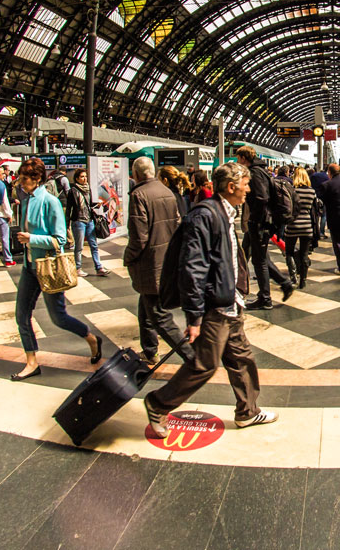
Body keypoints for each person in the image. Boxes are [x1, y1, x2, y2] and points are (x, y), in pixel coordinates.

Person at [144, 162, 278, 437]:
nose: (248, 189)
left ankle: (247, 411)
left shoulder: (223, 211)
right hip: (214, 307)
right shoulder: (204, 215)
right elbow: (192, 267)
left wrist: (237, 291)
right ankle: (158, 404)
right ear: (231, 187)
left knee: (242, 359)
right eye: (245, 185)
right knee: (204, 366)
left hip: (230, 302)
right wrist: (194, 317)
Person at [11, 157, 102, 381]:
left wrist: (31, 238)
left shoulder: (50, 202)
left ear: (37, 179)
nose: (20, 183)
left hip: (48, 267)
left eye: (24, 179)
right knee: (21, 316)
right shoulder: (25, 201)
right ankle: (32, 362)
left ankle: (91, 338)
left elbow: (60, 240)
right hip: (30, 267)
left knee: (58, 318)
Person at [124, 156, 195, 365]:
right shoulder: (167, 192)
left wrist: (128, 257)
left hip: (149, 262)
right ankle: (150, 350)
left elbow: (139, 237)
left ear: (136, 174)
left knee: (159, 316)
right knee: (145, 307)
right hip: (166, 259)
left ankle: (192, 358)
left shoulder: (139, 195)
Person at [235, 145, 294, 307]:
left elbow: (261, 198)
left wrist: (256, 219)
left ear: (244, 158)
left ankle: (267, 297)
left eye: (238, 158)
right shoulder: (260, 171)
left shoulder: (255, 173)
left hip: (260, 222)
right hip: (259, 222)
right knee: (257, 256)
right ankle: (278, 286)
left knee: (259, 260)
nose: (237, 161)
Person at [65, 168, 110, 278]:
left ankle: (99, 267)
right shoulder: (73, 191)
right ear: (76, 178)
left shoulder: (88, 189)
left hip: (89, 220)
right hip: (78, 221)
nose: (84, 179)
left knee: (94, 245)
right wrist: (67, 224)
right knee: (79, 247)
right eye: (82, 177)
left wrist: (96, 204)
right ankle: (78, 268)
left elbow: (89, 204)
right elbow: (70, 208)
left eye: (85, 176)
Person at [284, 167, 317, 288]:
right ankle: (303, 280)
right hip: (306, 226)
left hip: (292, 224)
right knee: (304, 254)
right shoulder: (311, 192)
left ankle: (293, 276)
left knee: (289, 252)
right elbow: (314, 209)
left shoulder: (292, 191)